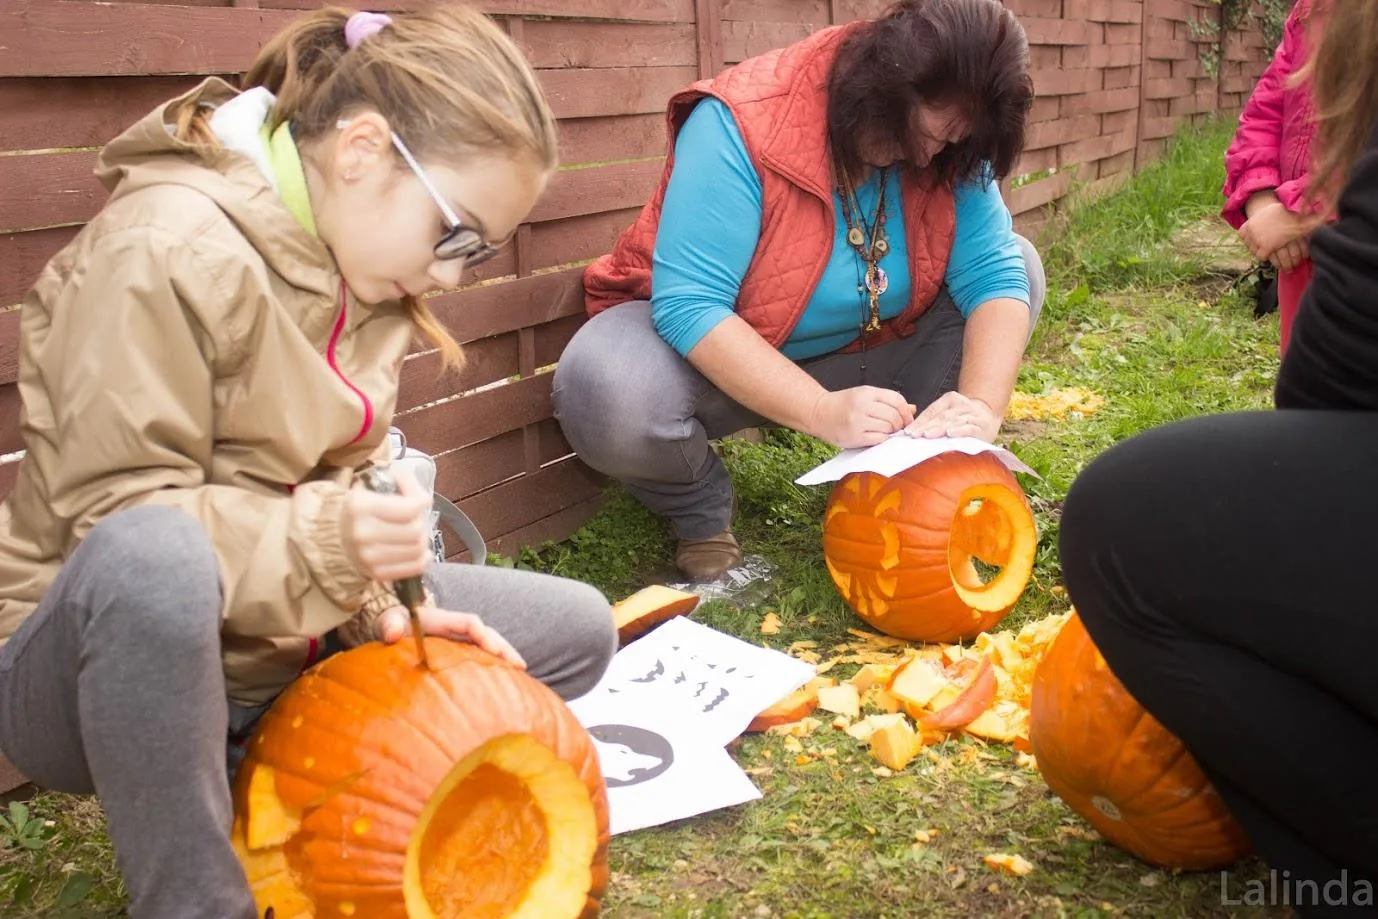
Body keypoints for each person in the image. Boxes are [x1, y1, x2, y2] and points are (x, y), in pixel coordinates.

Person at [0, 6, 616, 918]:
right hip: (95, 663)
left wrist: (378, 610)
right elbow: (116, 524)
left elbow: (334, 482)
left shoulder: (358, 261)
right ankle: (196, 898)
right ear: (363, 149)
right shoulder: (157, 249)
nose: (453, 276)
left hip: (280, 633)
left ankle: (278, 775)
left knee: (577, 629)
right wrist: (336, 542)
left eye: (479, 253)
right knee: (153, 559)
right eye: (454, 235)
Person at [1059, 1, 1378, 912]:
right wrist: (1266, 199)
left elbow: (1346, 359)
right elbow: (1268, 109)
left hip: (1340, 279)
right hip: (1320, 284)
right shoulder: (1312, 18)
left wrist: (1316, 213)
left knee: (1130, 520)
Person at [551, 0, 1044, 581]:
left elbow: (993, 272)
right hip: (721, 363)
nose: (930, 156)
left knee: (1022, 266)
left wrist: (981, 408)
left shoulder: (952, 137)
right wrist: (818, 410)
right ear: (890, 87)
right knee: (604, 389)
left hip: (872, 349)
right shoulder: (742, 122)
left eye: (953, 144)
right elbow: (691, 304)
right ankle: (700, 512)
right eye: (930, 136)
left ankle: (909, 470)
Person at [1221, 0, 1326, 355]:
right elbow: (1265, 113)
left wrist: (1301, 212)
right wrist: (1263, 199)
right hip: (1299, 260)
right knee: (1305, 374)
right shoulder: (1310, 10)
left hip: (1358, 252)